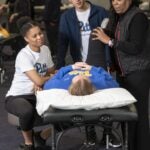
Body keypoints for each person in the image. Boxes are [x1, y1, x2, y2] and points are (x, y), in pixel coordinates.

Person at [92, 0, 150, 150]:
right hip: (122, 73)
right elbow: (116, 40)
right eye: (113, 0)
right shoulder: (118, 16)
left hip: (138, 72)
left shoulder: (138, 17)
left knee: (139, 114)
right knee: (127, 116)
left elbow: (135, 47)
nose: (115, 3)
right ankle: (130, 146)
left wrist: (110, 41)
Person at [5, 17, 55, 150]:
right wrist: (41, 80)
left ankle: (42, 136)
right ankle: (28, 143)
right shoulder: (24, 55)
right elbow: (39, 80)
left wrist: (42, 80)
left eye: (40, 33)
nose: (39, 37)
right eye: (34, 36)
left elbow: (51, 72)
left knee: (66, 111)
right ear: (26, 39)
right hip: (18, 96)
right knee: (26, 111)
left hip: (38, 94)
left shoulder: (45, 49)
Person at [56, 0, 109, 69]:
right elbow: (62, 45)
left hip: (100, 63)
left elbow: (108, 39)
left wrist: (109, 62)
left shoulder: (100, 12)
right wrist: (59, 67)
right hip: (80, 63)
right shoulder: (66, 17)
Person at [44, 62, 119, 93]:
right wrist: (91, 68)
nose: (81, 75)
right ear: (90, 82)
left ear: (71, 84)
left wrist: (72, 67)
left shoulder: (62, 84)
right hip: (90, 66)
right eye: (84, 77)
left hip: (74, 66)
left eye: (77, 77)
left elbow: (52, 79)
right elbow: (112, 80)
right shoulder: (99, 83)